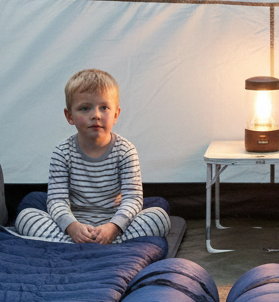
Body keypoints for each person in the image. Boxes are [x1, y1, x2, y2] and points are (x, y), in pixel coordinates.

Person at [14, 69, 170, 244]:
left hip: (114, 223)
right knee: (26, 217)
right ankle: (80, 242)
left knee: (158, 217)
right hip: (75, 222)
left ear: (116, 114)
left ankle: (93, 243)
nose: (95, 115)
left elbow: (133, 199)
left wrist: (113, 227)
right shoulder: (62, 152)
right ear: (69, 116)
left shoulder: (126, 151)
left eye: (104, 108)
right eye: (85, 108)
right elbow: (57, 201)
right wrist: (72, 227)